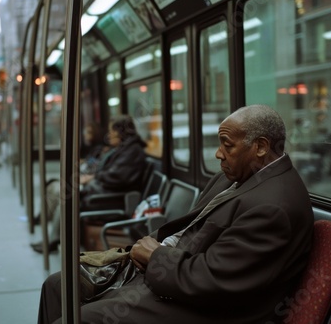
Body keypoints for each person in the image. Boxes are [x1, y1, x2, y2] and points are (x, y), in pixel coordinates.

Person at [37, 105, 315, 324]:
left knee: (80, 318)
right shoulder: (236, 176)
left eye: (227, 144)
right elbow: (191, 229)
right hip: (172, 269)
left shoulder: (274, 208)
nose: (219, 154)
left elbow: (214, 280)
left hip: (207, 308)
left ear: (261, 146)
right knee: (57, 286)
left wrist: (155, 256)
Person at [32, 115, 147, 253]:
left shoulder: (132, 151)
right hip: (103, 192)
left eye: (112, 132)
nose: (109, 135)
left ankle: (52, 239)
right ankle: (50, 233)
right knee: (64, 191)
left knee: (66, 197)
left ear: (121, 133)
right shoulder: (123, 149)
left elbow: (117, 177)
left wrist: (92, 178)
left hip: (111, 199)